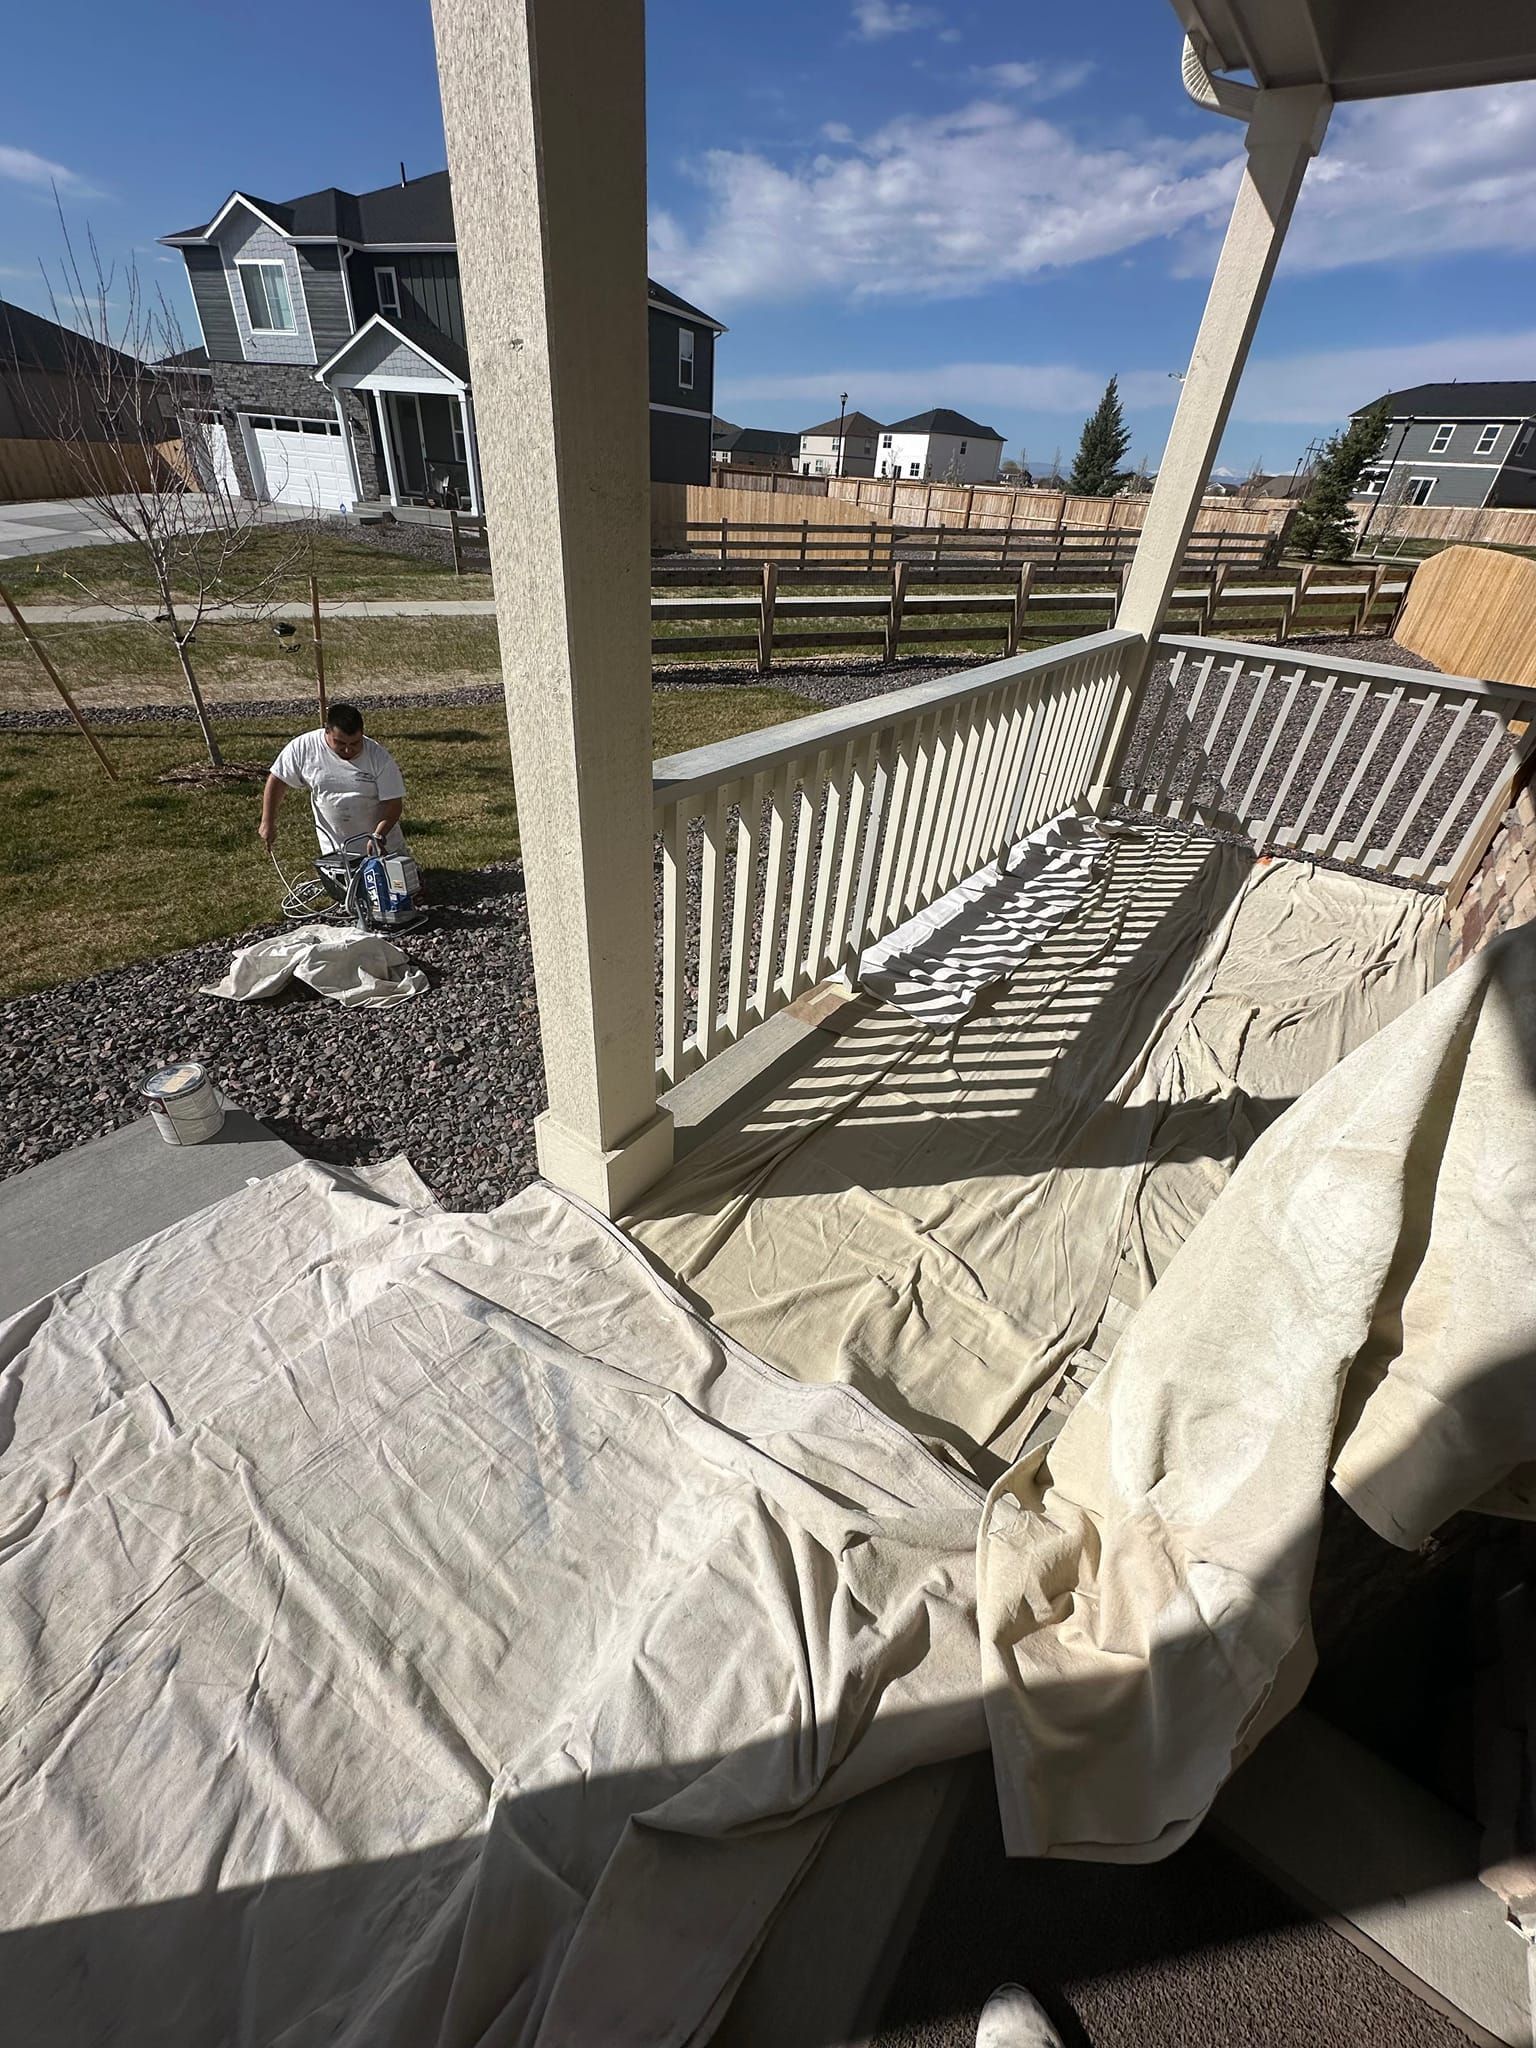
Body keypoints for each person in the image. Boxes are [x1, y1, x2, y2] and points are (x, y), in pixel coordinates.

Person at [258, 704, 410, 862]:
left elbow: (394, 803)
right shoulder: (303, 747)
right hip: (337, 852)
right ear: (327, 731)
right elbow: (278, 779)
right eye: (340, 743)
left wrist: (378, 835)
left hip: (381, 849)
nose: (347, 750)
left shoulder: (378, 757)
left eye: (355, 744)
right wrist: (267, 821)